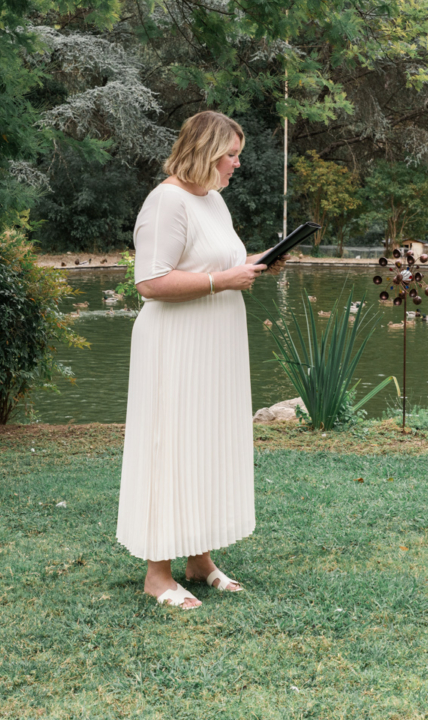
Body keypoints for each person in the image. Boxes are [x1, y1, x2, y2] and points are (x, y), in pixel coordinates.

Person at [116, 111, 280, 609]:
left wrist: (259, 262)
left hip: (215, 346)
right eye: (231, 155)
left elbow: (224, 264)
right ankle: (157, 574)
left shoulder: (213, 201)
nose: (236, 165)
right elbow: (150, 282)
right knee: (173, 444)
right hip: (175, 347)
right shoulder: (166, 202)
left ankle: (199, 559)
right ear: (205, 151)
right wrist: (221, 281)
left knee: (207, 443)